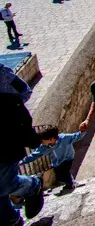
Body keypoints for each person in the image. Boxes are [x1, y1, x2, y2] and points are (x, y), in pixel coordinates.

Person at [0, 68, 45, 225]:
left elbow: (24, 92)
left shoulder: (1, 74)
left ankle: (32, 186)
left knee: (4, 185)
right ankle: (10, 219)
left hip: (4, 140)